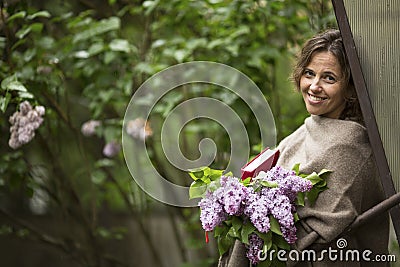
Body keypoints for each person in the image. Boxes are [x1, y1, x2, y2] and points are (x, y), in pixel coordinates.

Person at [218, 29, 389, 266]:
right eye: (309, 74)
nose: (314, 86)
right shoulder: (301, 134)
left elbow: (325, 229)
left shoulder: (350, 145)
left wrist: (258, 223)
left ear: (350, 89)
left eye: (329, 78)